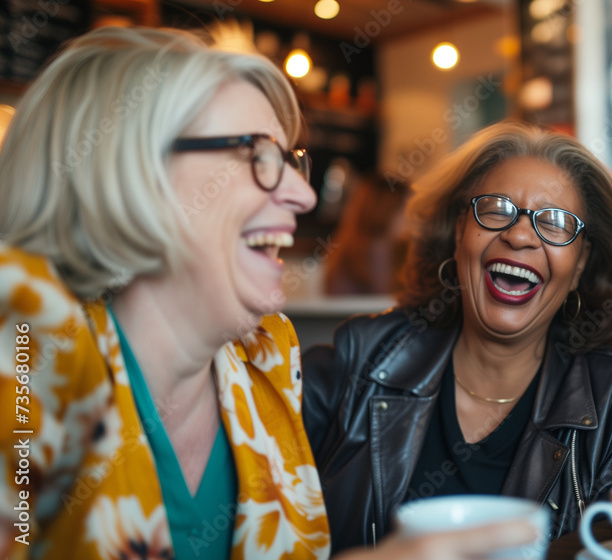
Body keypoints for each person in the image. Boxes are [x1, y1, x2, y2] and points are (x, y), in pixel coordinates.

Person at [0, 27, 534, 559]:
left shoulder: (267, 368)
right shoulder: (25, 358)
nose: (302, 194)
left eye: (289, 159)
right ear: (128, 174)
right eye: (258, 155)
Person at [302, 121, 612, 551]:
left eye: (555, 222)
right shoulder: (359, 359)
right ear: (458, 233)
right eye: (495, 209)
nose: (520, 235)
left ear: (581, 262)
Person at [323, 175, 409, 295]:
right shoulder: (375, 253)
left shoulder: (348, 250)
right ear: (384, 208)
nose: (410, 216)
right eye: (404, 207)